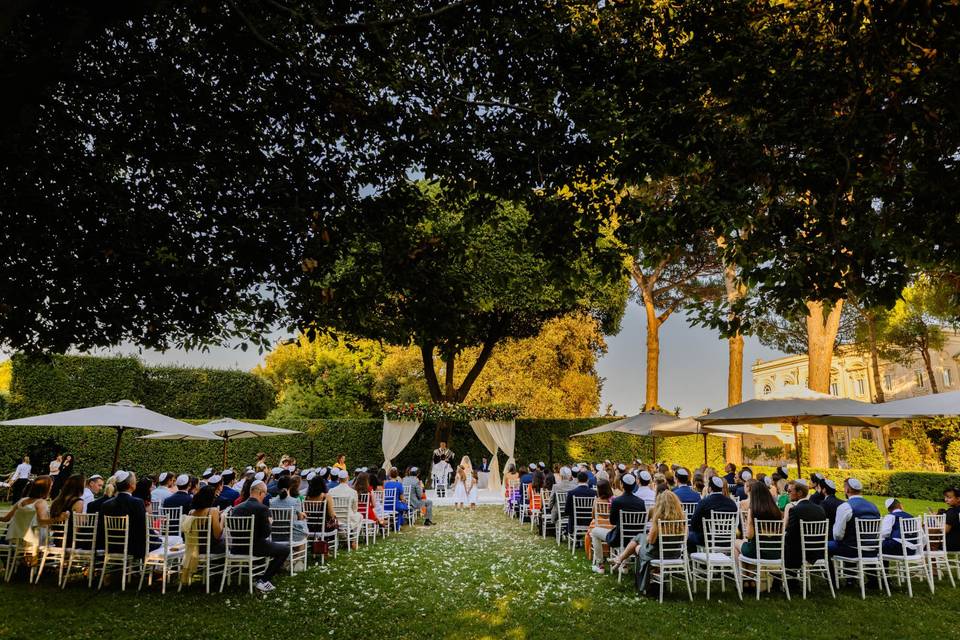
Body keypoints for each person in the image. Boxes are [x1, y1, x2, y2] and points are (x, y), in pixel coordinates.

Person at [610, 490, 686, 596]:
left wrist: (649, 533)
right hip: (675, 554)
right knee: (639, 539)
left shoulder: (659, 520)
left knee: (638, 541)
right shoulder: (681, 519)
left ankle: (621, 560)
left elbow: (651, 541)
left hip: (655, 554)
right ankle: (650, 575)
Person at [232, 480, 289, 593]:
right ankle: (263, 580)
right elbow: (265, 534)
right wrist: (270, 524)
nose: (264, 497)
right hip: (255, 546)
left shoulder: (237, 508)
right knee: (285, 550)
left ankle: (257, 577)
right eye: (265, 494)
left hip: (236, 547)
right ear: (261, 493)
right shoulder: (262, 509)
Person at [1, 476, 64, 557]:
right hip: (36, 540)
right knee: (54, 540)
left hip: (19, 538)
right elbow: (42, 522)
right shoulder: (41, 503)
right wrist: (59, 518)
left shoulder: (22, 501)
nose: (51, 488)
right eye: (50, 486)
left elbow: (6, 519)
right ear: (46, 488)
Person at [101, 471, 152, 561]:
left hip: (111, 546)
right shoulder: (137, 502)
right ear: (131, 486)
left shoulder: (106, 504)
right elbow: (143, 528)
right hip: (133, 548)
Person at [829, 477, 880, 559]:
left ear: (847, 490)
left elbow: (837, 535)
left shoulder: (845, 506)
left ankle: (831, 572)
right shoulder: (874, 507)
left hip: (852, 550)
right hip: (873, 550)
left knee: (825, 546)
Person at [782, 479, 827, 570]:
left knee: (785, 544)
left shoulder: (795, 510)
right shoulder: (820, 509)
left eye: (790, 491)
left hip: (801, 553)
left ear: (799, 493)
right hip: (818, 551)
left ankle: (789, 579)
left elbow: (790, 535)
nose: (788, 493)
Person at [735, 480, 782, 563]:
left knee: (735, 543)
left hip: (757, 551)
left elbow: (749, 535)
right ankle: (749, 575)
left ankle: (741, 575)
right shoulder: (776, 511)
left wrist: (747, 525)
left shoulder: (753, 510)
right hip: (776, 552)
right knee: (747, 547)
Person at [688, 476, 738, 552]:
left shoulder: (704, 502)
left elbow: (694, 523)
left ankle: (697, 560)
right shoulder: (732, 503)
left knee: (689, 536)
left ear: (710, 489)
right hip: (727, 540)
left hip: (707, 539)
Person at [328, 469, 363, 546]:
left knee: (356, 516)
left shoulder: (331, 491)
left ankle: (344, 537)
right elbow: (355, 509)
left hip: (335, 518)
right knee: (360, 516)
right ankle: (354, 540)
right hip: (347, 518)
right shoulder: (353, 492)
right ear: (347, 478)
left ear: (338, 479)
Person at [270, 476, 309, 542]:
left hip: (275, 535)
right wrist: (303, 515)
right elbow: (300, 519)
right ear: (290, 486)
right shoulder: (295, 501)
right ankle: (298, 552)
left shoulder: (272, 502)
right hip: (290, 535)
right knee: (303, 535)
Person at [564, 471, 597, 538]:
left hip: (576, 521)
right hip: (590, 521)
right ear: (587, 480)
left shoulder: (571, 493)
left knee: (571, 516)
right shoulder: (594, 493)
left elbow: (567, 510)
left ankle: (573, 535)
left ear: (578, 480)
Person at [944, 486, 960, 552]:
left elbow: (944, 530)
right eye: (945, 497)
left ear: (958, 499)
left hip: (952, 545)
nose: (946, 500)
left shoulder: (952, 512)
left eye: (949, 497)